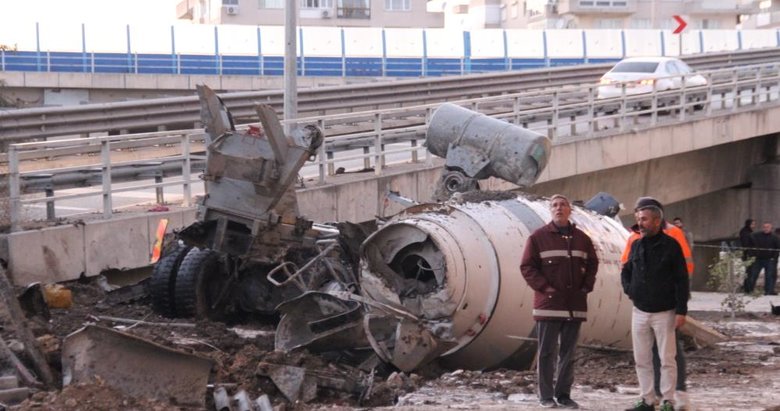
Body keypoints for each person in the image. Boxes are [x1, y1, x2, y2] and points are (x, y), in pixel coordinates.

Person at [520, 194, 599, 409]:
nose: (559, 208)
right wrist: (545, 288)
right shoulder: (538, 237)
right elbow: (527, 267)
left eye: (563, 204)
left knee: (568, 353)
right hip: (549, 305)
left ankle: (564, 395)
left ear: (569, 209)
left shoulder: (582, 238)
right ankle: (546, 396)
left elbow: (592, 263)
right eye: (554, 205)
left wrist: (586, 286)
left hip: (575, 305)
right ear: (550, 210)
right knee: (547, 352)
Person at [620, 198, 693, 410]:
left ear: (656, 221)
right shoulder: (636, 244)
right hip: (640, 310)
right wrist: (630, 290)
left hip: (665, 311)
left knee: (667, 359)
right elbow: (626, 271)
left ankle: (668, 400)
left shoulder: (671, 246)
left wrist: (681, 311)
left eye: (644, 219)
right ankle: (647, 399)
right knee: (641, 359)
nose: (640, 223)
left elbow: (681, 280)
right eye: (638, 219)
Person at [746, 222, 780, 295]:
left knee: (769, 276)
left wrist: (774, 258)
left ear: (771, 228)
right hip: (758, 259)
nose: (766, 228)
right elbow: (749, 244)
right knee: (753, 275)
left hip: (770, 259)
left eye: (768, 227)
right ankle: (749, 290)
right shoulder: (756, 235)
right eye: (764, 227)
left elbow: (777, 249)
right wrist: (752, 254)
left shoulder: (775, 237)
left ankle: (769, 291)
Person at [739, 219, 756, 292]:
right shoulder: (745, 232)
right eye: (752, 224)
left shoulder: (749, 232)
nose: (754, 226)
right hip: (748, 254)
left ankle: (748, 288)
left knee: (749, 272)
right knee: (749, 272)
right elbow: (746, 244)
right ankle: (748, 289)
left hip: (750, 254)